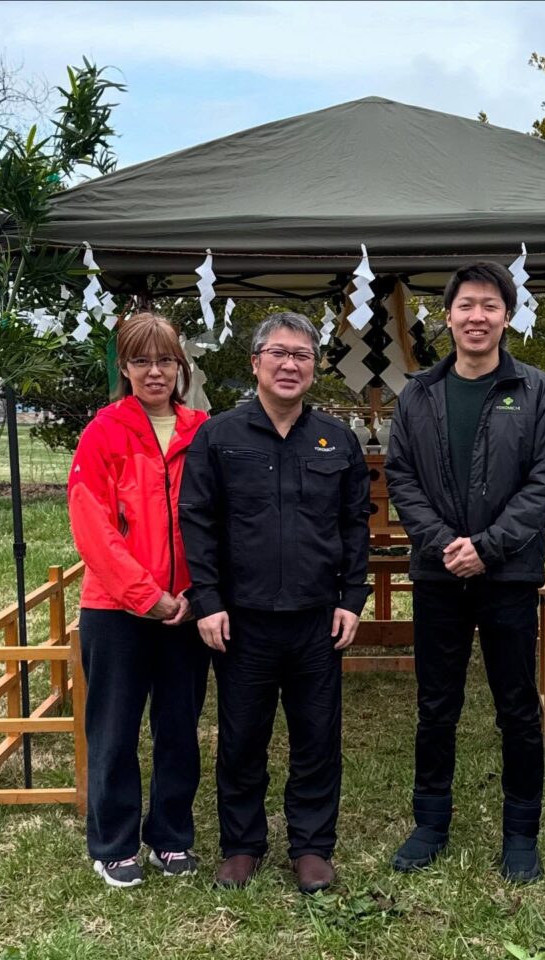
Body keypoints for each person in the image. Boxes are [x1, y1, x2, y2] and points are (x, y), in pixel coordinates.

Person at [384, 261, 545, 883]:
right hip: (438, 576)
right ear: (449, 315)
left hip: (509, 575)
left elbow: (544, 480)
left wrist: (488, 547)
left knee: (516, 704)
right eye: (466, 305)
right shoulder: (419, 393)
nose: (477, 316)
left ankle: (521, 831)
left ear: (506, 316)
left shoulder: (537, 390)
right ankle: (430, 822)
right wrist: (442, 545)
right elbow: (401, 477)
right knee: (437, 704)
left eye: (490, 305)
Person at [179, 312, 370, 894]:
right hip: (242, 620)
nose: (290, 365)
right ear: (255, 362)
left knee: (318, 736)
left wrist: (353, 598)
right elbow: (198, 521)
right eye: (278, 353)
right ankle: (242, 844)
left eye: (303, 356)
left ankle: (311, 846)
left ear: (315, 368)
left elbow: (356, 523)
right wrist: (208, 600)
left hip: (317, 618)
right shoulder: (219, 436)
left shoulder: (337, 440)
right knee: (242, 737)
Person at [68, 312, 210, 888]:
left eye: (166, 360)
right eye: (142, 361)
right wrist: (144, 596)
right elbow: (92, 525)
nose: (155, 372)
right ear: (123, 367)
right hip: (116, 609)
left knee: (180, 726)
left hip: (187, 607)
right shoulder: (104, 431)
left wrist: (197, 592)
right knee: (114, 728)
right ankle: (113, 842)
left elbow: (222, 519)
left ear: (181, 366)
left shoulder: (203, 430)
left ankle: (170, 836)